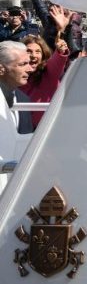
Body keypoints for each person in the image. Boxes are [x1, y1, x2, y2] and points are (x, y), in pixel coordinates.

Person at [0, 41, 34, 190]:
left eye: (29, 63)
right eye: (22, 64)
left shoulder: (24, 100)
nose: (30, 69)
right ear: (1, 69)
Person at [20, 34, 69, 128]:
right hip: (21, 127)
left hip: (46, 127)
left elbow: (57, 62)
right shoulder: (15, 74)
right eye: (29, 51)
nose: (33, 55)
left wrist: (60, 51)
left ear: (43, 55)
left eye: (38, 52)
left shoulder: (48, 73)